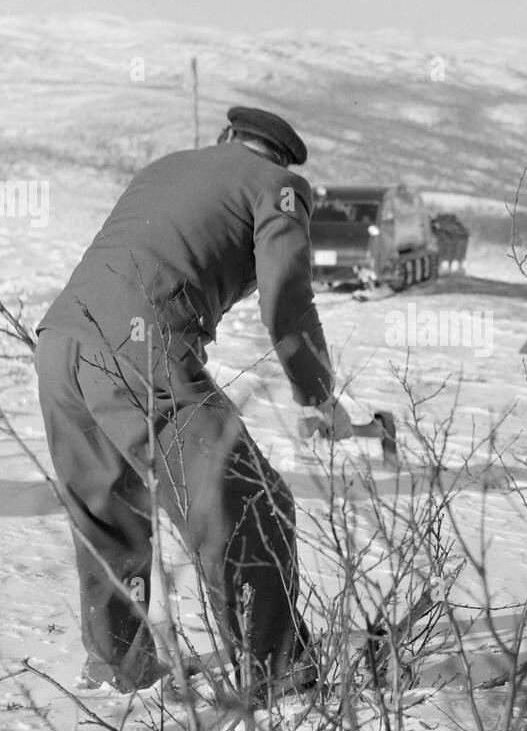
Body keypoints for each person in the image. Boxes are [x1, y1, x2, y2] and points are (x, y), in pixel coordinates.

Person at [33, 106, 351, 693]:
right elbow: (286, 300)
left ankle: (116, 663)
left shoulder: (167, 166)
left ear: (227, 138)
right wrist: (317, 394)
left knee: (109, 513)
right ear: (279, 157)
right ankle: (277, 672)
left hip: (58, 345)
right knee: (249, 502)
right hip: (137, 351)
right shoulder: (278, 187)